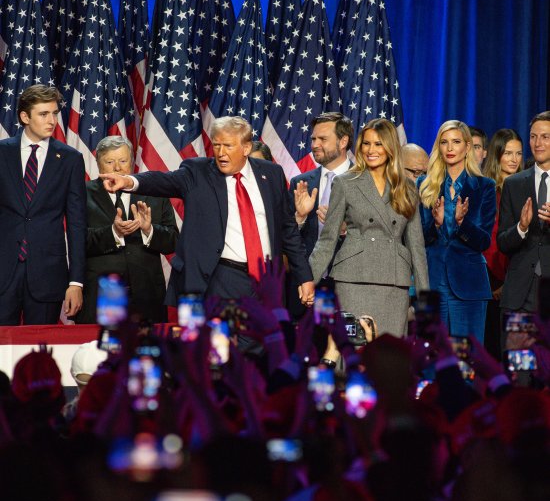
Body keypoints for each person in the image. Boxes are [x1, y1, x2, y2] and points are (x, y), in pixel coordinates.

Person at [100, 116, 314, 306]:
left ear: (247, 148)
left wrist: (304, 276)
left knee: (261, 347)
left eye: (228, 146)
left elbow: (288, 230)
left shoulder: (272, 174)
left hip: (267, 279)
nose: (221, 153)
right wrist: (128, 180)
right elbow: (163, 180)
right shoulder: (198, 172)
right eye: (217, 145)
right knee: (221, 347)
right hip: (222, 276)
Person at [309, 118, 429, 337]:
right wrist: (308, 280)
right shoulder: (345, 182)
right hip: (353, 279)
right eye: (366, 143)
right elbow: (327, 239)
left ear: (390, 147)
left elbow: (416, 246)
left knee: (389, 358)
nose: (371, 150)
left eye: (378, 144)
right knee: (353, 354)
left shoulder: (407, 187)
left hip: (393, 282)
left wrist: (424, 299)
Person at [0, 84, 86, 325]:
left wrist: (76, 281)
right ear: (25, 117)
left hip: (48, 273)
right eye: (43, 114)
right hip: (3, 270)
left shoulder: (70, 158)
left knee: (41, 350)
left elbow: (78, 224)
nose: (52, 120)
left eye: (55, 113)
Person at [76, 136, 178, 324]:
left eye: (123, 161)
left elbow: (173, 241)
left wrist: (149, 230)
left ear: (132, 162)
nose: (117, 168)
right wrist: (114, 232)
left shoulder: (154, 192)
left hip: (148, 298)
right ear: (98, 164)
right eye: (109, 162)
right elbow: (78, 243)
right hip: (100, 298)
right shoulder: (82, 193)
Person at [418, 120, 496, 342]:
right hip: (432, 283)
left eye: (456, 142)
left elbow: (483, 241)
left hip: (469, 285)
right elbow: (418, 239)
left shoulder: (485, 186)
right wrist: (437, 225)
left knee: (466, 361)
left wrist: (462, 224)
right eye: (444, 142)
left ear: (468, 146)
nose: (450, 148)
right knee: (430, 358)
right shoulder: (424, 184)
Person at [498, 111, 550, 315]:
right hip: (519, 297)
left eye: (545, 137)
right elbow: (502, 242)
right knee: (516, 349)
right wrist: (521, 227)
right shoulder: (513, 183)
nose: (538, 143)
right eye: (533, 136)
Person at [289, 111, 354, 259]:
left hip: (346, 277)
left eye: (322, 139)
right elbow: (287, 238)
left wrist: (345, 229)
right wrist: (300, 217)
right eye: (313, 139)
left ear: (343, 142)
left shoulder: (363, 181)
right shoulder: (299, 183)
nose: (314, 145)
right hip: (306, 276)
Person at [482, 129, 523, 357]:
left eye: (518, 153)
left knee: (517, 352)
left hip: (519, 281)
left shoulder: (528, 190)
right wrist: (495, 283)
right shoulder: (486, 191)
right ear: (497, 155)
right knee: (492, 349)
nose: (514, 159)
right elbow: (484, 240)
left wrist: (510, 282)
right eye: (508, 153)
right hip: (489, 284)